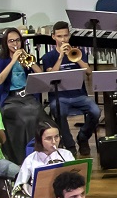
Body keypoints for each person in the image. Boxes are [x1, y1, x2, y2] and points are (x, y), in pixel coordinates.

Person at [43, 21, 103, 151]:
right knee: (59, 111)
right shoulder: (48, 57)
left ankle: (83, 137)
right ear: (53, 37)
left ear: (69, 36)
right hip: (59, 97)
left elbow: (88, 72)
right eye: (59, 36)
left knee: (96, 111)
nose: (63, 39)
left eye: (65, 36)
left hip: (79, 95)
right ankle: (69, 145)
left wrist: (76, 58)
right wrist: (60, 58)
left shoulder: (78, 52)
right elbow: (50, 77)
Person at [0, 26, 44, 159]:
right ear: (6, 43)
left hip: (27, 95)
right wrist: (13, 61)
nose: (15, 44)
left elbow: (41, 75)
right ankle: (23, 155)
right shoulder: (1, 60)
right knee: (25, 117)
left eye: (17, 40)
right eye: (11, 41)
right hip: (10, 98)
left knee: (37, 113)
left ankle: (38, 152)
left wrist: (30, 63)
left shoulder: (26, 57)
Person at [15, 122, 77, 198]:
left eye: (56, 137)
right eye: (48, 138)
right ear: (40, 140)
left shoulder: (66, 155)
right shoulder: (30, 160)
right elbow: (20, 187)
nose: (54, 142)